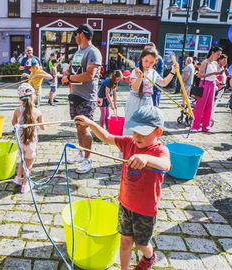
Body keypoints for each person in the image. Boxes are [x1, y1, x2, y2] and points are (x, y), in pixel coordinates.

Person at [74, 105, 170, 270]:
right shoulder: (129, 143)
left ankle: (149, 257)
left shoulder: (159, 150)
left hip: (145, 211)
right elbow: (107, 137)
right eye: (134, 131)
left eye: (143, 132)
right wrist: (90, 123)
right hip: (125, 204)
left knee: (141, 245)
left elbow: (166, 165)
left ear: (158, 132)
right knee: (125, 241)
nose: (137, 136)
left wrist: (146, 159)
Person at [61, 24, 102, 174]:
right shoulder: (79, 51)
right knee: (78, 127)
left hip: (87, 97)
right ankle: (81, 153)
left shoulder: (93, 52)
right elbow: (73, 66)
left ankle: (88, 159)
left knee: (84, 129)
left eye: (76, 34)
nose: (75, 37)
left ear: (82, 35)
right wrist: (67, 71)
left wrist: (69, 78)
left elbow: (89, 75)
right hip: (75, 95)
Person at [123, 48, 177, 136]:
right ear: (141, 59)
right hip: (134, 100)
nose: (148, 64)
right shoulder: (135, 71)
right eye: (146, 61)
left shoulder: (153, 72)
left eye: (151, 62)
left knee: (145, 126)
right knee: (131, 125)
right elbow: (135, 88)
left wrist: (173, 71)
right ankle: (127, 147)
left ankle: (141, 148)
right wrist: (139, 77)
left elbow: (163, 83)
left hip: (147, 101)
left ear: (155, 62)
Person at [12, 83, 45, 193]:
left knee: (23, 159)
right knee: (29, 165)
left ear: (20, 98)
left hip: (20, 141)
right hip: (31, 142)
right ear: (33, 96)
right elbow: (43, 127)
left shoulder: (17, 110)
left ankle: (18, 178)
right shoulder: (37, 112)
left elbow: (13, 123)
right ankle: (25, 185)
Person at [191, 46, 224, 133]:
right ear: (213, 52)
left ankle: (206, 126)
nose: (218, 56)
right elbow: (200, 75)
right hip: (205, 84)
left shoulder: (215, 63)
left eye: (219, 54)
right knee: (200, 105)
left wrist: (217, 80)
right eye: (218, 54)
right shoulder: (205, 62)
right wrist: (213, 73)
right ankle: (195, 125)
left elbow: (213, 76)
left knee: (209, 106)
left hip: (212, 84)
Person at [144, 42, 164, 107]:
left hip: (155, 87)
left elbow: (149, 69)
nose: (145, 52)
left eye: (147, 50)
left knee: (154, 107)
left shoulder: (157, 59)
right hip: (148, 87)